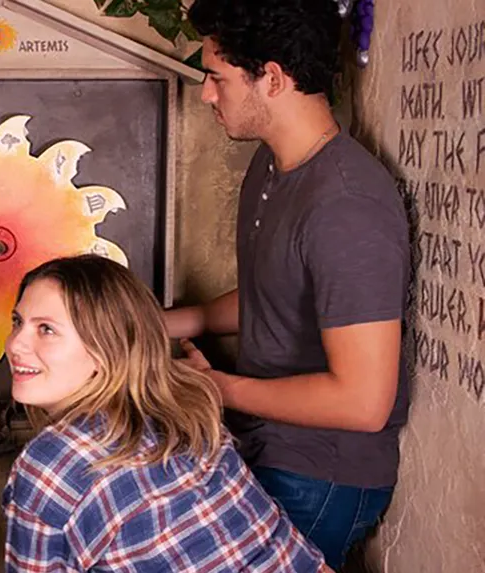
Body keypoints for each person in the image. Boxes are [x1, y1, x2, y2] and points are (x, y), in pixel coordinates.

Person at [166, 0, 411, 568]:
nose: (206, 94)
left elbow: (363, 402)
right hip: (263, 447)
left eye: (217, 78)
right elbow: (276, 297)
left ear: (272, 78)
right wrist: (167, 322)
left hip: (321, 475)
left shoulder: (346, 206)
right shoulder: (272, 166)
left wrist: (217, 389)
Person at [2, 255, 330, 572]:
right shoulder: (182, 409)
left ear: (107, 348)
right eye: (18, 322)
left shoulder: (51, 466)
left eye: (46, 329)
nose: (16, 344)